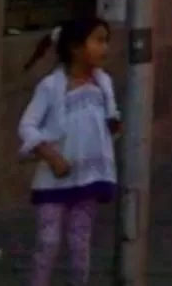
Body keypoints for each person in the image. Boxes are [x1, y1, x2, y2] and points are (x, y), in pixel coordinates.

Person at [17, 16, 118, 286]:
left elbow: (107, 125)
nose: (104, 47)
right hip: (54, 178)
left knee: (80, 242)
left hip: (88, 179)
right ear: (75, 47)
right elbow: (27, 125)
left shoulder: (103, 86)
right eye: (98, 40)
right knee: (47, 241)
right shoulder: (51, 87)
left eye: (106, 41)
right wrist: (51, 156)